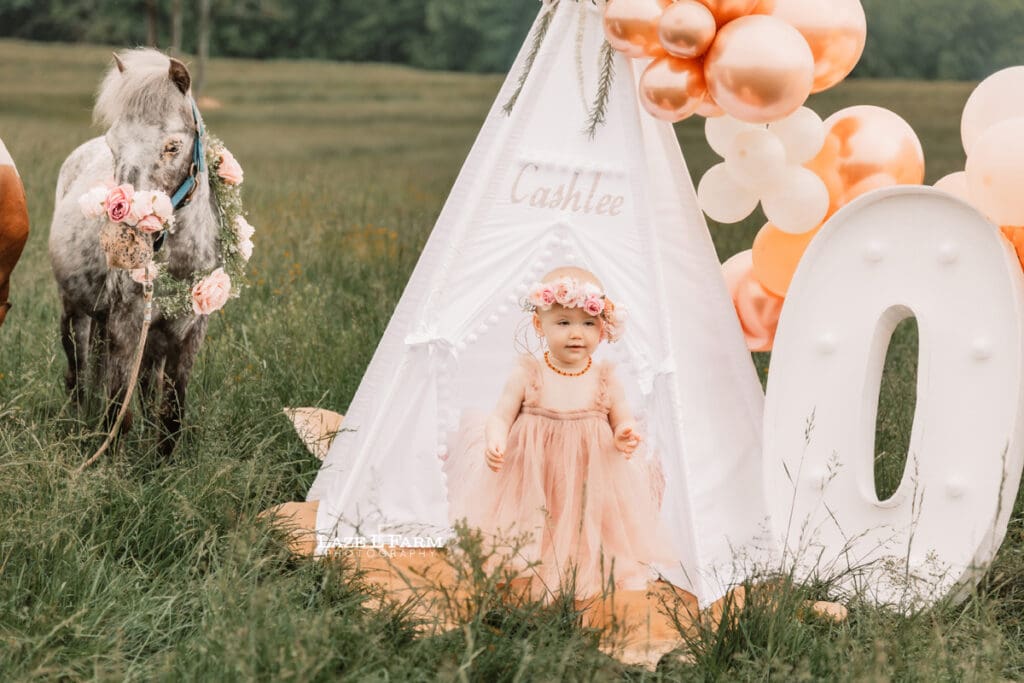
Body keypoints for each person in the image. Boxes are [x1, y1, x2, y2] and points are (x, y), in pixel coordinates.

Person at [444, 266, 674, 601]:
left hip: (588, 471)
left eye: (588, 323)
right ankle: (531, 563)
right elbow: (501, 415)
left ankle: (582, 564)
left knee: (584, 520)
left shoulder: (605, 378)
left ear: (603, 328)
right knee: (536, 519)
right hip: (533, 470)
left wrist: (624, 432)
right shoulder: (529, 374)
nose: (576, 334)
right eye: (563, 323)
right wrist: (496, 438)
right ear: (540, 325)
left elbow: (622, 416)